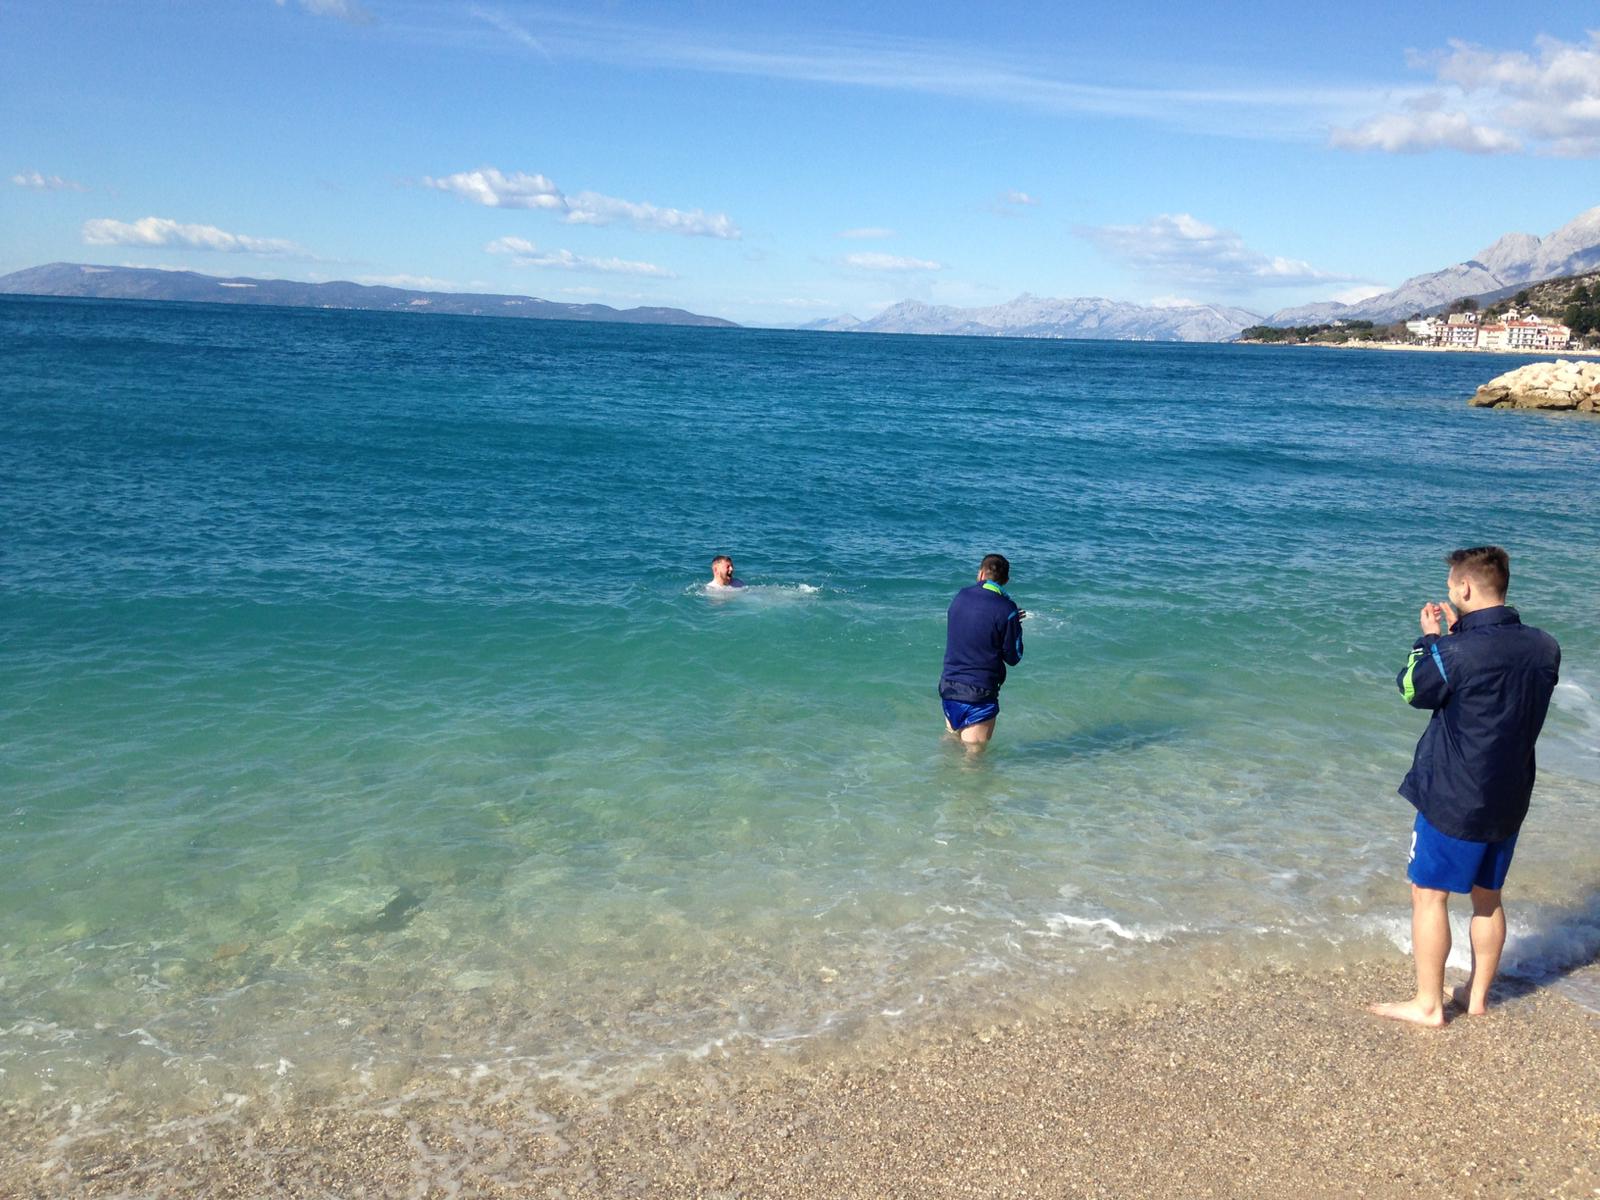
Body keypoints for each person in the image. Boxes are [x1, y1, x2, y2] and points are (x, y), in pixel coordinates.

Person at [1370, 546, 1560, 1027]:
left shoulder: (1453, 652)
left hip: (1455, 796)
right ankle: (1476, 998)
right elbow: (1494, 688)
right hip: (1509, 793)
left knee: (1428, 893)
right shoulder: (1544, 646)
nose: (1452, 589)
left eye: (1454, 583)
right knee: (1488, 898)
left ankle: (1429, 1004)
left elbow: (1413, 688)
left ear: (1465, 588)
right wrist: (1456, 637)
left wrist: (1429, 641)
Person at [938, 554, 1027, 751]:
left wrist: (1008, 621)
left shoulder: (960, 596)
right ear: (1006, 581)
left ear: (980, 574)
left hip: (949, 684)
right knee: (974, 758)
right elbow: (1014, 657)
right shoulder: (1007, 608)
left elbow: (971, 626)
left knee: (951, 741)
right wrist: (1014, 625)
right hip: (979, 692)